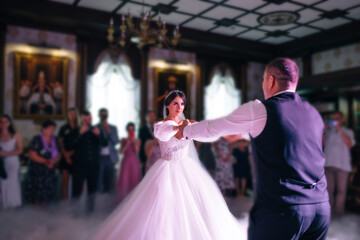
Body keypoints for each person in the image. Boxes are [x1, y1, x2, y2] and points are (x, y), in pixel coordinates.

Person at [179, 58, 330, 240]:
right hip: (320, 209)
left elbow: (213, 128)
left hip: (283, 210)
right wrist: (243, 133)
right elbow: (286, 137)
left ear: (271, 81)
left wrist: (185, 130)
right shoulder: (312, 113)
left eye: (264, 80)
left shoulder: (259, 110)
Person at [92, 90, 242, 240]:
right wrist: (180, 128)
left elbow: (206, 134)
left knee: (194, 207)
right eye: (175, 103)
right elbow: (164, 134)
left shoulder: (189, 122)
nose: (179, 107)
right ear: (168, 105)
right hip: (166, 169)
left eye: (182, 103)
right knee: (164, 208)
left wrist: (223, 133)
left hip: (187, 168)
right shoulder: (160, 125)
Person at [69, 111, 103, 213]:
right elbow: (69, 145)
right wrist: (80, 134)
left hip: (94, 166)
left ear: (91, 119)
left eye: (89, 120)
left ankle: (90, 213)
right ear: (80, 120)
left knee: (92, 191)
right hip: (79, 167)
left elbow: (105, 144)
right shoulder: (75, 131)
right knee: (76, 190)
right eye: (85, 120)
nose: (87, 122)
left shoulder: (97, 130)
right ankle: (74, 213)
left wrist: (99, 135)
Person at [323, 111, 355, 215]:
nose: (335, 121)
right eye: (334, 119)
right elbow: (320, 143)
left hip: (343, 165)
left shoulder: (348, 131)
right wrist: (324, 130)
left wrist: (340, 130)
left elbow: (350, 144)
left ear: (342, 120)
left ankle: (339, 212)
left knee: (341, 190)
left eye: (337, 119)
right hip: (328, 164)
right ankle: (329, 213)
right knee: (329, 190)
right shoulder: (328, 132)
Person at [25, 120, 61, 206]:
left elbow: (59, 154)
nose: (52, 131)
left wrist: (53, 161)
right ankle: (36, 215)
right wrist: (46, 161)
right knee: (37, 195)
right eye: (50, 128)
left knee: (47, 195)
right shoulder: (36, 139)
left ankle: (45, 215)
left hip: (49, 171)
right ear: (44, 129)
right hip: (38, 172)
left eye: (53, 129)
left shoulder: (55, 139)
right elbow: (31, 155)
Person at [0, 114, 23, 209]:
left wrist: (5, 154)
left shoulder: (15, 134)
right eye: (1, 122)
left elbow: (20, 150)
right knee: (2, 184)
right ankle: (4, 205)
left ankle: (14, 205)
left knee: (12, 183)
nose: (3, 124)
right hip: (1, 163)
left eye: (6, 122)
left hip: (13, 162)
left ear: (9, 123)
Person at [96, 108, 120, 193]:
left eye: (105, 115)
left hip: (110, 158)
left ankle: (109, 200)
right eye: (102, 115)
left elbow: (116, 141)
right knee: (99, 181)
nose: (104, 116)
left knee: (109, 181)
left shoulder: (113, 128)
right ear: (99, 115)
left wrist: (108, 131)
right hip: (99, 157)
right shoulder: (96, 127)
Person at [116, 122, 141, 202]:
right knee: (124, 180)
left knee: (134, 179)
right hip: (126, 161)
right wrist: (127, 143)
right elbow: (121, 152)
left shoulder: (137, 140)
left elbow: (137, 151)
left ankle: (133, 200)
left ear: (134, 130)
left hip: (134, 162)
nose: (131, 131)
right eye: (129, 129)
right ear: (127, 130)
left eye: (132, 129)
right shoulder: (123, 140)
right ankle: (123, 201)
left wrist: (134, 142)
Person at [58, 107, 79, 200]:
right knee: (65, 181)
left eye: (74, 113)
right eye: (70, 113)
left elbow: (81, 144)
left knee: (77, 181)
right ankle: (64, 202)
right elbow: (60, 143)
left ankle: (77, 202)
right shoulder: (63, 128)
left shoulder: (79, 128)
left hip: (77, 156)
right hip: (65, 156)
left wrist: (71, 153)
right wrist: (66, 155)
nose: (72, 115)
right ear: (67, 115)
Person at [138, 111, 156, 175]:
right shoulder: (142, 130)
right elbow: (140, 145)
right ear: (146, 118)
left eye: (153, 116)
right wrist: (142, 160)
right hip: (146, 157)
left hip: (157, 156)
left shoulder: (157, 127)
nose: (152, 118)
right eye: (150, 116)